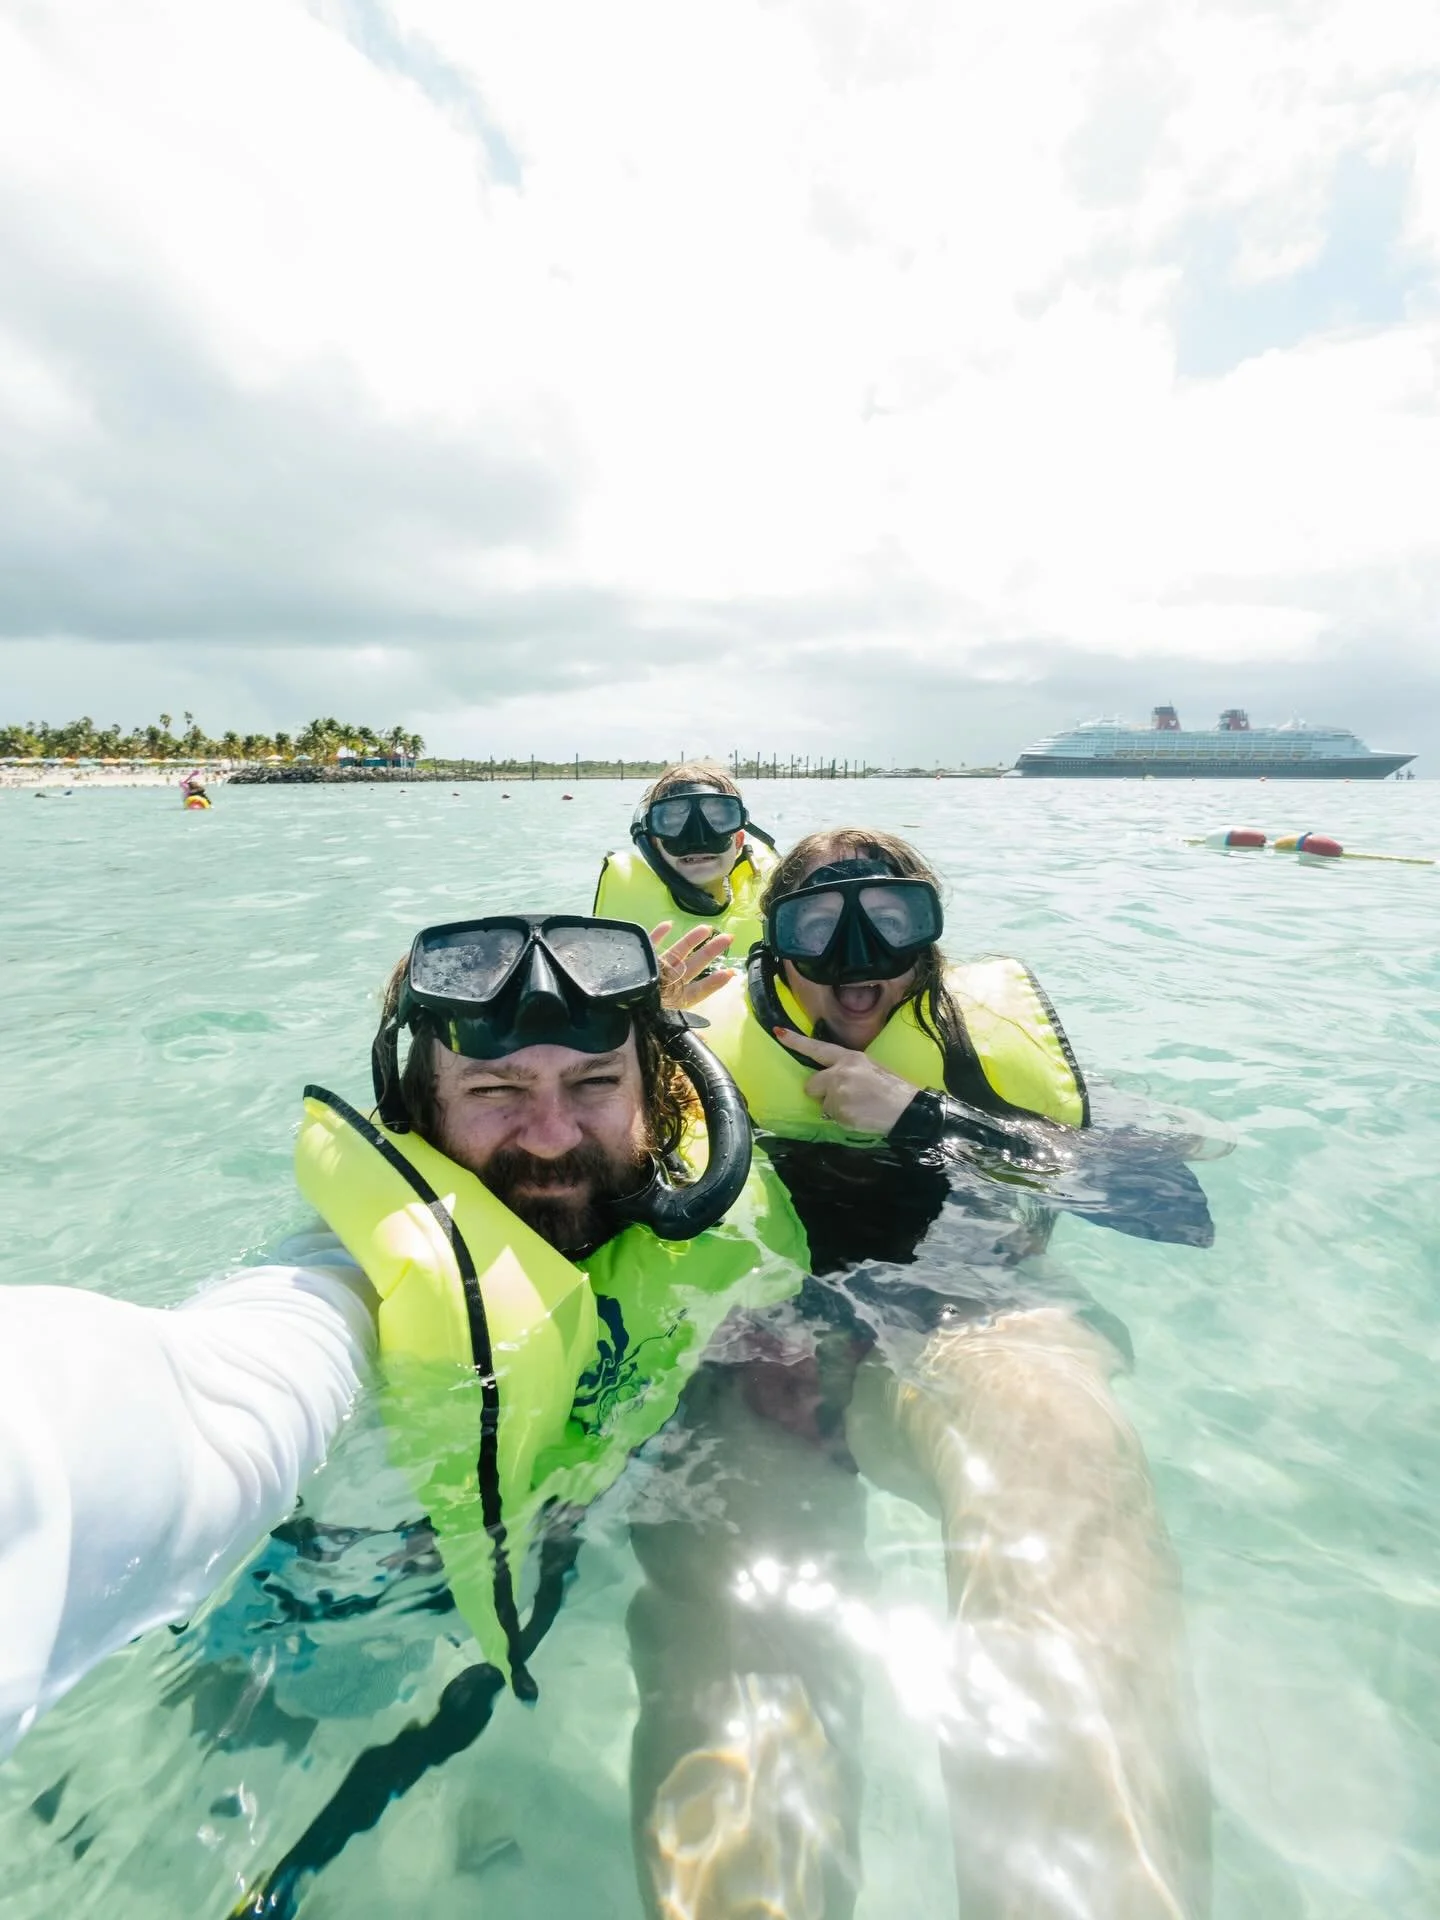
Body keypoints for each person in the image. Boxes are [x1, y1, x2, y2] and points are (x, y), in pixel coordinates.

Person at [623, 829, 1215, 1919]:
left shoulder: (981, 1053)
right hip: (763, 1356)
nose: (862, 962)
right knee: (738, 1637)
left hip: (978, 1323)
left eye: (894, 921)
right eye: (820, 926)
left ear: (934, 935)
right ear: (773, 943)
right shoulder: (695, 1058)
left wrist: (927, 1121)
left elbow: (1176, 1208)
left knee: (1066, 1473)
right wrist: (632, 1045)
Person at [593, 761, 779, 958]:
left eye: (716, 822)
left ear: (739, 841)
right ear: (654, 845)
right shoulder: (630, 911)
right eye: (674, 823)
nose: (698, 838)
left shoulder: (769, 899)